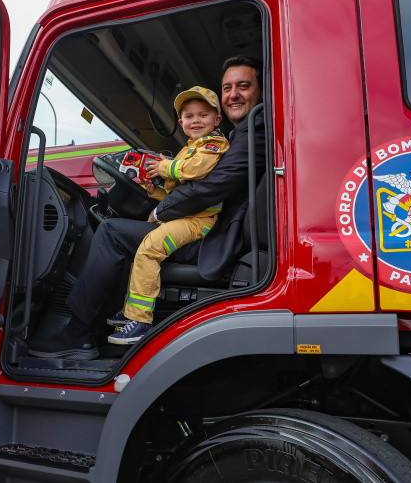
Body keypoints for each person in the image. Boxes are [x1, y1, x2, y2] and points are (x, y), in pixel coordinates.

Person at [28, 55, 266, 359]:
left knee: (111, 232)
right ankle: (114, 316)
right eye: (228, 87)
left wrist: (162, 206)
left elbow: (210, 186)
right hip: (207, 226)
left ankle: (79, 331)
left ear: (260, 90)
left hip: (210, 233)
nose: (234, 94)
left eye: (244, 86)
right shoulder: (227, 137)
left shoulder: (247, 131)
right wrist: (155, 193)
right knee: (115, 232)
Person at [105, 86, 228, 344]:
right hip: (187, 216)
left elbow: (194, 170)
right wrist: (156, 193)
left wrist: (163, 166)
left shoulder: (213, 145)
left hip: (199, 222)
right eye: (189, 116)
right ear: (181, 122)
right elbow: (180, 195)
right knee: (143, 250)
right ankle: (131, 313)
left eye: (203, 115)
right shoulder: (188, 149)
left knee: (149, 248)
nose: (196, 121)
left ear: (217, 120)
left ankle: (140, 323)